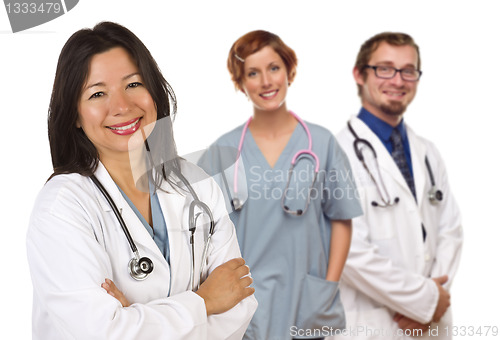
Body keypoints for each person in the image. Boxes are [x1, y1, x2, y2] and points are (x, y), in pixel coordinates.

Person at [26, 21, 257, 340]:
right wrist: (205, 301)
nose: (121, 106)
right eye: (97, 93)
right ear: (75, 115)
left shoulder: (196, 185)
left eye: (133, 84)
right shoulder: (62, 208)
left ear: (154, 91)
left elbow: (239, 302)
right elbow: (101, 333)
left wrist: (136, 318)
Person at [197, 30, 362, 340]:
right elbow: (199, 230)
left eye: (274, 68)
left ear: (289, 70)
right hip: (244, 300)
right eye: (253, 73)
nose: (266, 81)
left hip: (306, 298)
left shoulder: (322, 143)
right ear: (240, 83)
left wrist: (327, 287)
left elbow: (341, 219)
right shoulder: (223, 151)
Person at [330, 32, 463, 340]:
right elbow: (348, 251)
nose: (398, 80)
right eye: (385, 68)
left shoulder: (427, 152)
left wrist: (434, 301)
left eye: (408, 70)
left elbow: (450, 231)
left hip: (431, 326)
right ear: (359, 74)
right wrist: (423, 302)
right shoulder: (335, 155)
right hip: (373, 327)